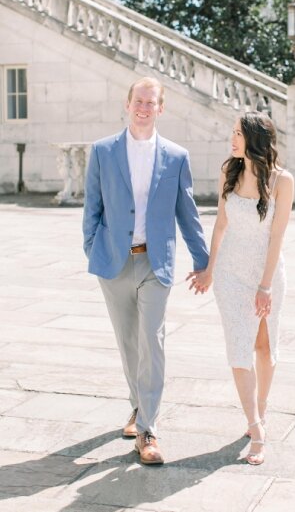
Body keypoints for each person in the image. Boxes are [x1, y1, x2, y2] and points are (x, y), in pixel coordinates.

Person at [82, 77, 209, 465]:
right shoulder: (103, 151)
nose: (143, 108)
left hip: (156, 263)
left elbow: (187, 212)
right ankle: (137, 406)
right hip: (115, 263)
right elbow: (93, 206)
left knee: (151, 341)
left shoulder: (175, 155)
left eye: (151, 103)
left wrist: (203, 260)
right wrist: (93, 247)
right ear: (128, 103)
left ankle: (149, 429)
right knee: (128, 342)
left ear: (160, 108)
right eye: (139, 101)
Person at [186, 112, 293, 466]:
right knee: (238, 345)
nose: (232, 139)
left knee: (264, 344)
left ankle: (261, 409)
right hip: (231, 273)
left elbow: (276, 236)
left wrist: (265, 285)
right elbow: (220, 225)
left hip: (266, 273)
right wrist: (209, 270)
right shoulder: (228, 172)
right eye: (231, 132)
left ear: (256, 139)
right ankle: (255, 425)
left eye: (238, 134)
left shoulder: (282, 181)